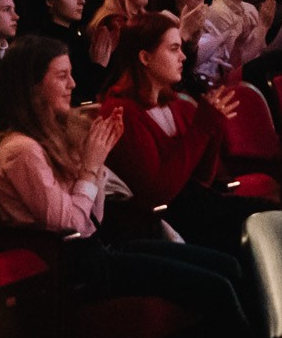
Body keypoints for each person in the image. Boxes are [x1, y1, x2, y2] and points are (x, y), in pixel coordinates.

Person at [0, 37, 282, 338]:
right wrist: (91, 164)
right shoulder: (20, 150)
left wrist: (95, 162)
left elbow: (93, 216)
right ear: (33, 86)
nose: (73, 84)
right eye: (62, 76)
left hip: (97, 251)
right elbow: (70, 226)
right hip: (70, 267)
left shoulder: (53, 135)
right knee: (214, 287)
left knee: (227, 264)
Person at [99, 15, 255, 252]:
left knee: (280, 220)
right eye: (173, 49)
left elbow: (203, 178)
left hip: (196, 208)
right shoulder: (120, 112)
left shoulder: (179, 106)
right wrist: (202, 128)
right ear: (145, 57)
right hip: (162, 224)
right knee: (257, 235)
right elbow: (158, 194)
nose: (183, 57)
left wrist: (213, 128)